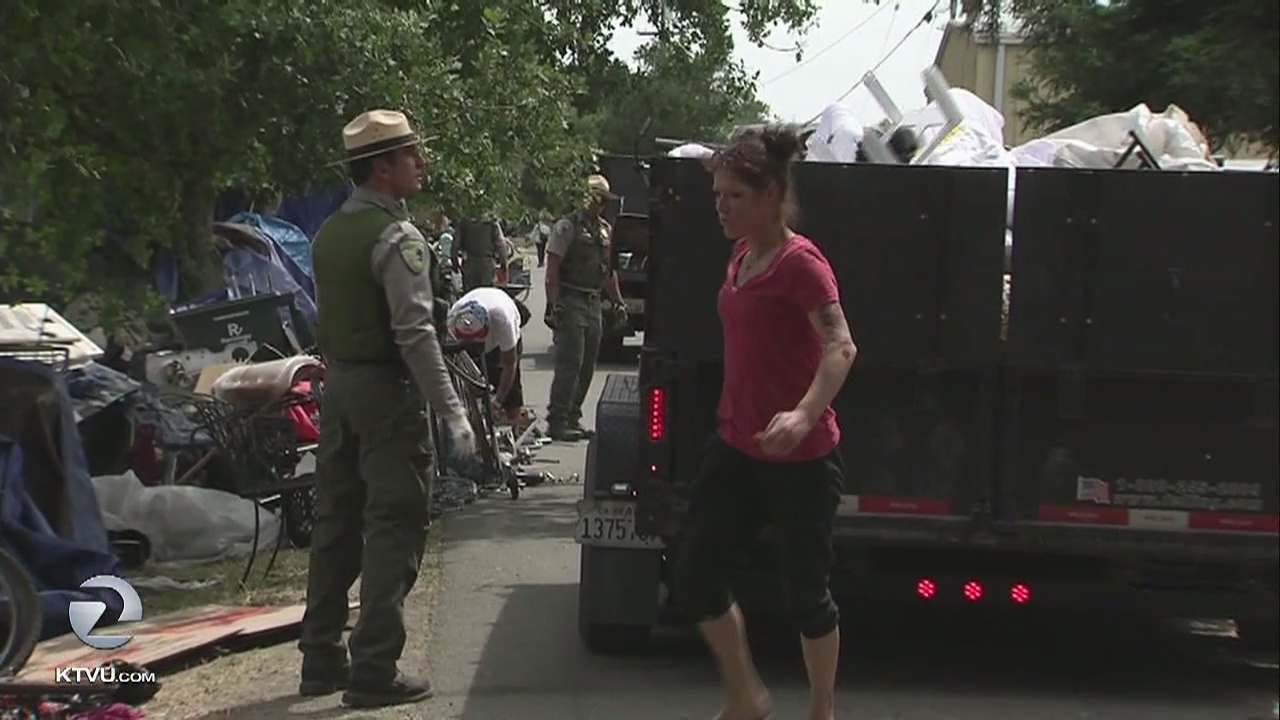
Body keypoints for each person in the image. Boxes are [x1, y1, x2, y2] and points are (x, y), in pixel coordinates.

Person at [673, 126, 856, 720]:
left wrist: (803, 415)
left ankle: (822, 710)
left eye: (735, 197)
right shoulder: (741, 255)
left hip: (802, 459)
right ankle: (744, 694)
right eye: (718, 195)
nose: (721, 208)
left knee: (806, 597)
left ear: (772, 193)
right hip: (737, 446)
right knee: (695, 576)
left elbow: (841, 347)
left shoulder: (803, 264)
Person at [299, 109, 476, 709]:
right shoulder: (397, 239)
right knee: (393, 525)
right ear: (383, 167)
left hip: (339, 390)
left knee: (336, 525)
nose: (420, 163)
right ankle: (374, 666)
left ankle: (320, 657)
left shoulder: (328, 235)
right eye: (410, 156)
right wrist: (452, 412)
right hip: (384, 395)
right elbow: (415, 335)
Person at [544, 175, 626, 441]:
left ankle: (573, 417)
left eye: (604, 201)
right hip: (571, 300)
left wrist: (618, 302)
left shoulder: (605, 229)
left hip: (593, 302)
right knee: (571, 362)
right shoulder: (567, 227)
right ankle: (557, 420)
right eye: (597, 199)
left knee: (588, 364)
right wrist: (552, 305)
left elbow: (609, 271)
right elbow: (553, 269)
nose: (601, 205)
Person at [446, 287, 532, 423]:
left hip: (500, 329)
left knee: (508, 386)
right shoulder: (452, 320)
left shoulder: (503, 320)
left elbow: (510, 364)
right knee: (471, 378)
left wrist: (498, 400)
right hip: (469, 333)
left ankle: (515, 418)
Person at [452, 216, 507, 291]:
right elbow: (501, 244)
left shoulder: (463, 222)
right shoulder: (491, 222)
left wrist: (455, 262)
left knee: (469, 295)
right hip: (487, 265)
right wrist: (503, 262)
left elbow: (455, 244)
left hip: (470, 263)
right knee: (486, 294)